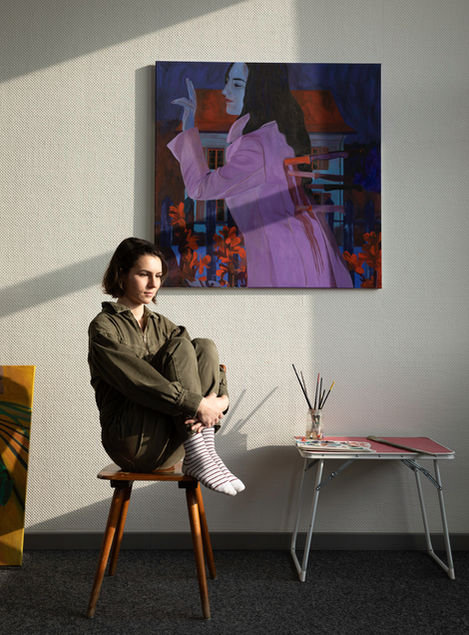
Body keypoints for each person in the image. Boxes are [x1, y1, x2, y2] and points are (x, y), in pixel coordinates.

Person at [168, 62, 353, 288]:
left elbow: (200, 188)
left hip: (282, 255)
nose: (225, 91)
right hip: (302, 246)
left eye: (237, 84)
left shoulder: (254, 147)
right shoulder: (275, 134)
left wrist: (189, 127)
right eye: (227, 81)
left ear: (259, 89)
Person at [88, 237, 244, 496]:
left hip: (172, 443)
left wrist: (221, 401)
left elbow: (202, 367)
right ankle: (199, 451)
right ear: (122, 274)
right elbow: (136, 381)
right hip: (132, 443)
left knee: (203, 346)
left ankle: (203, 451)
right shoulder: (104, 327)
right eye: (144, 274)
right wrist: (197, 404)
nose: (153, 284)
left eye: (158, 276)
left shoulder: (164, 326)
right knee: (181, 346)